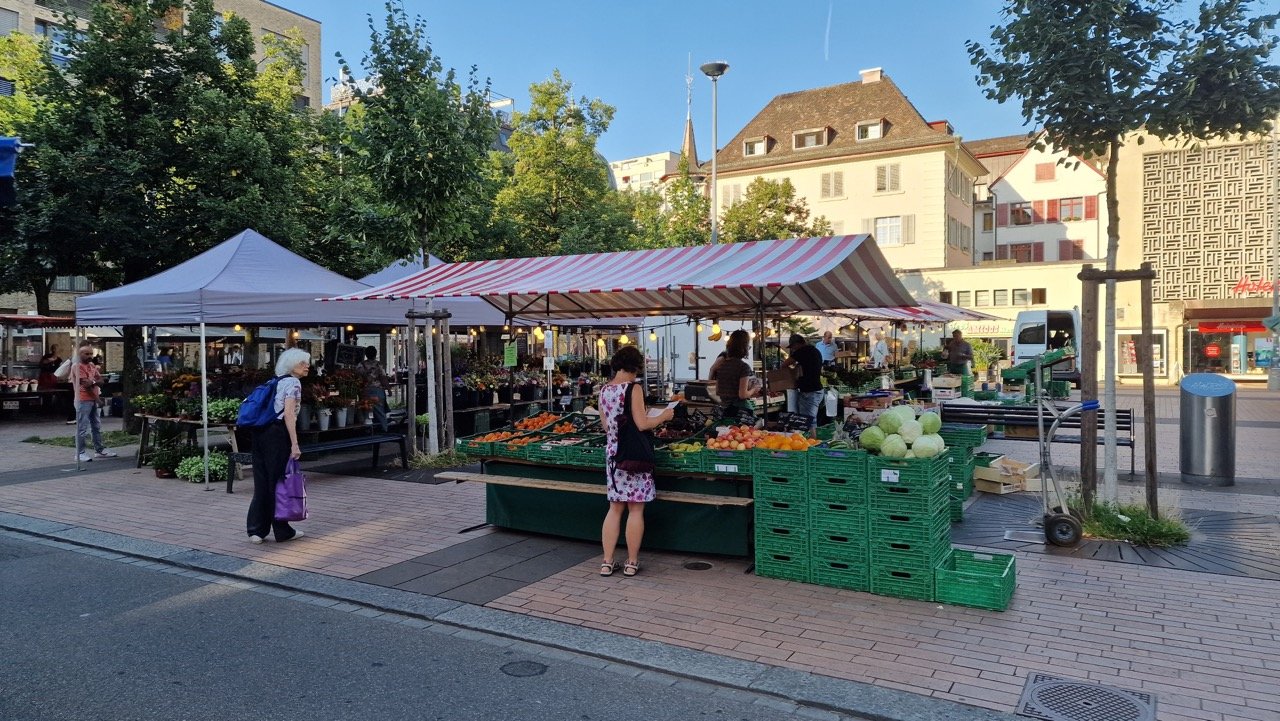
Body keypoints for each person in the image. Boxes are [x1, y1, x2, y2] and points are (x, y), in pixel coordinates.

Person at [598, 345, 675, 578]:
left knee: (614, 508)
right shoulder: (634, 388)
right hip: (635, 456)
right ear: (634, 367)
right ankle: (631, 563)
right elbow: (642, 424)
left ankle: (607, 562)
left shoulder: (604, 390)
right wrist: (663, 416)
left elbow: (606, 426)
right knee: (635, 509)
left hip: (614, 455)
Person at [246, 347, 309, 545]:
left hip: (260, 432)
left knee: (262, 481)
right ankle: (282, 530)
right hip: (277, 434)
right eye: (303, 363)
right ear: (292, 365)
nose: (307, 367)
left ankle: (256, 529)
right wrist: (294, 443)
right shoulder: (293, 383)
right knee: (278, 481)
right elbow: (289, 415)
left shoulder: (274, 381)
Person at [70, 344, 118, 463]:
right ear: (80, 354)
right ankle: (80, 453)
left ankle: (99, 450)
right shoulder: (77, 367)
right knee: (82, 427)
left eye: (91, 353)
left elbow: (101, 381)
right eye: (87, 354)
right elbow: (86, 386)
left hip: (93, 399)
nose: (90, 356)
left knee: (96, 425)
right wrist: (98, 399)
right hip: (83, 399)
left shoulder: (91, 366)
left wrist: (93, 381)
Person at [707, 329, 759, 412]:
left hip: (724, 409)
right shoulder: (743, 367)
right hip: (739, 411)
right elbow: (742, 395)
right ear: (744, 347)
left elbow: (718, 391)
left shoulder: (721, 366)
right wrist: (753, 389)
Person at [785, 334, 825, 429]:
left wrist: (791, 374)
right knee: (809, 419)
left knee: (807, 421)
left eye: (793, 347)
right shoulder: (814, 350)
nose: (793, 350)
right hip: (817, 389)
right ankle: (810, 440)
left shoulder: (802, 351)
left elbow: (785, 364)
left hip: (809, 391)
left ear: (797, 344)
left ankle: (811, 441)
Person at [356, 345, 390, 431]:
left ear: (366, 354)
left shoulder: (361, 365)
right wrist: (388, 389)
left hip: (365, 391)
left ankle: (368, 431)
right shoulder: (378, 365)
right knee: (380, 412)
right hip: (377, 391)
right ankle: (384, 430)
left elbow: (357, 377)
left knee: (367, 411)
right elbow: (383, 378)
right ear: (375, 354)